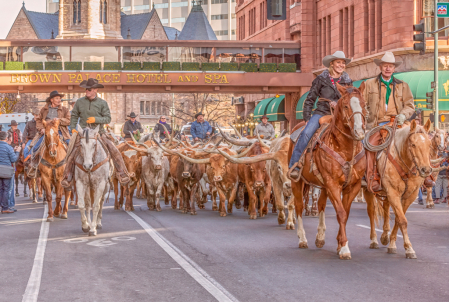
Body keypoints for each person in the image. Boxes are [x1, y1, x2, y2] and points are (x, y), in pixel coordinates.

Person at [289, 51, 353, 179]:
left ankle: (362, 172)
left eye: (343, 63)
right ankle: (294, 165)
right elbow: (310, 99)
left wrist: (339, 105)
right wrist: (307, 118)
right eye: (338, 62)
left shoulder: (347, 81)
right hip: (321, 112)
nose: (341, 65)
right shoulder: (321, 79)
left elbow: (350, 100)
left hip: (340, 115)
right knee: (306, 133)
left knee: (358, 134)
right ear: (332, 64)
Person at [61, 78, 130, 188]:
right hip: (83, 133)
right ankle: (67, 176)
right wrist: (73, 128)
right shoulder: (79, 102)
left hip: (99, 132)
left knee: (114, 150)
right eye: (86, 89)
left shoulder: (102, 103)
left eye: (89, 89)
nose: (86, 91)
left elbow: (107, 119)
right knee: (71, 152)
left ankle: (122, 173)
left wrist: (96, 119)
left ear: (95, 90)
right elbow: (74, 116)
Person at [363, 52, 416, 193]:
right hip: (376, 125)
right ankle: (373, 177)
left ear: (394, 68)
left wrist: (403, 116)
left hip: (398, 123)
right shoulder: (369, 84)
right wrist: (366, 118)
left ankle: (423, 175)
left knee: (416, 140)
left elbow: (410, 105)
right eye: (385, 66)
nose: (388, 68)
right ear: (380, 67)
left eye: (391, 66)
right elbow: (362, 105)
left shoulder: (402, 86)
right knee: (370, 146)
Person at [27, 91, 71, 177]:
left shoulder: (65, 110)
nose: (59, 100)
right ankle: (34, 166)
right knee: (35, 147)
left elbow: (69, 120)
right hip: (46, 132)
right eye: (57, 98)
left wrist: (59, 120)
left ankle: (71, 168)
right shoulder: (44, 109)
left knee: (71, 146)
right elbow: (38, 120)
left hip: (60, 132)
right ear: (51, 100)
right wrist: (41, 129)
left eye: (59, 98)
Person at [0, 131, 20, 214]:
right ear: (6, 138)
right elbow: (14, 159)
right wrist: (17, 152)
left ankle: (2, 206)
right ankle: (5, 208)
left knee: (0, 189)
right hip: (6, 171)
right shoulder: (8, 147)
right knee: (6, 189)